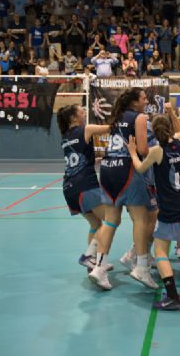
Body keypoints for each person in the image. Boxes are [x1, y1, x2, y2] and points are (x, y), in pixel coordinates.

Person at [126, 115, 180, 310]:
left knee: (160, 250)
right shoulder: (179, 144)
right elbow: (178, 127)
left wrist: (132, 152)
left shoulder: (156, 150)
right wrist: (172, 113)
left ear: (154, 132)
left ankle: (172, 296)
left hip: (172, 206)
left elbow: (140, 168)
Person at [98, 88, 158, 289]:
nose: (145, 100)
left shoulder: (116, 116)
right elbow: (141, 150)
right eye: (142, 98)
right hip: (127, 168)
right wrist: (158, 152)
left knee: (110, 220)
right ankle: (141, 267)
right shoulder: (139, 117)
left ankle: (99, 267)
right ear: (134, 102)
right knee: (141, 219)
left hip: (107, 169)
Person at [57, 104, 117, 288]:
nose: (84, 112)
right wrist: (121, 115)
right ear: (74, 118)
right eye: (81, 111)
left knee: (95, 224)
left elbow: (79, 157)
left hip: (69, 188)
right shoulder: (86, 129)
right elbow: (110, 128)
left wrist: (95, 159)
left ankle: (96, 261)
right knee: (109, 221)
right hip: (85, 185)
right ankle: (89, 256)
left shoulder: (65, 137)